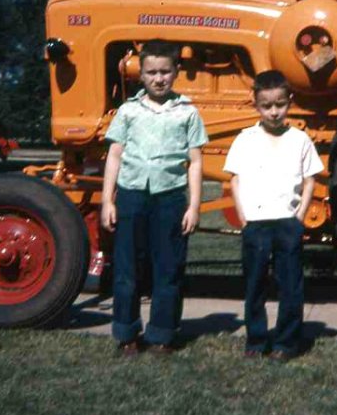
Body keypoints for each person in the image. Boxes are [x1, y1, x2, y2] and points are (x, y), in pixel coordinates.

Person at [101, 39, 207, 356]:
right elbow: (114, 156)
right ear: (141, 75)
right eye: (151, 72)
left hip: (170, 199)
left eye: (164, 71)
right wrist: (108, 200)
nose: (158, 78)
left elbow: (196, 161)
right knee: (127, 269)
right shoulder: (128, 111)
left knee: (169, 268)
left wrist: (194, 205)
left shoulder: (187, 112)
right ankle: (127, 334)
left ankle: (161, 335)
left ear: (176, 72)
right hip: (132, 196)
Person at [224, 69, 324, 361]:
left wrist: (300, 215)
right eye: (267, 105)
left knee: (290, 284)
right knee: (255, 283)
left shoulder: (300, 139)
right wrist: (243, 217)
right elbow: (235, 179)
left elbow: (310, 180)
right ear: (256, 105)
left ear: (289, 102)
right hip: (255, 223)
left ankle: (285, 343)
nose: (274, 112)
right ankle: (256, 340)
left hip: (287, 222)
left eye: (280, 104)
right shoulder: (245, 139)